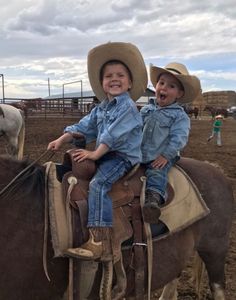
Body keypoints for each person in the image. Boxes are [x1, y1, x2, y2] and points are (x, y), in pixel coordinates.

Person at [47, 42, 147, 260]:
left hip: (121, 157)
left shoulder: (128, 107)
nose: (114, 79)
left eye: (120, 75)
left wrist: (94, 154)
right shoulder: (101, 108)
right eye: (108, 76)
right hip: (106, 154)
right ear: (102, 84)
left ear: (130, 83)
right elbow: (84, 126)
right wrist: (62, 139)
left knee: (98, 183)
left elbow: (113, 134)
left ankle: (98, 240)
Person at [140, 62, 201, 223]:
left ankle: (154, 198)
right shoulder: (146, 109)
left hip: (162, 154)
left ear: (179, 94)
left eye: (171, 86)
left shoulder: (179, 117)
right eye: (161, 83)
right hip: (140, 153)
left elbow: (179, 138)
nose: (164, 88)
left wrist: (166, 155)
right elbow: (135, 129)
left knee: (156, 171)